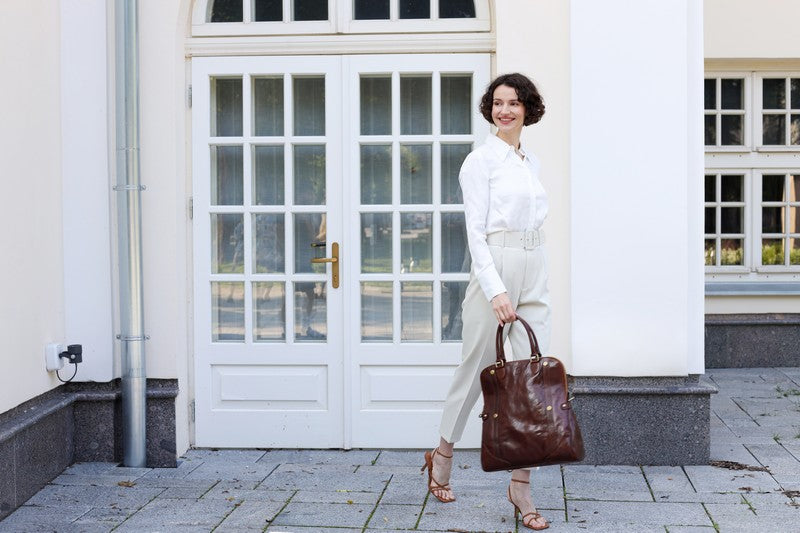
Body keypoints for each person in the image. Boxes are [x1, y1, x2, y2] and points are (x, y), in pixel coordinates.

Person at [421, 73, 552, 531]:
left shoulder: (529, 160)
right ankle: (442, 453)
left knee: (533, 378)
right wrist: (496, 288)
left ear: (527, 108)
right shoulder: (481, 161)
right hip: (496, 264)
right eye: (498, 102)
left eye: (514, 102)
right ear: (489, 109)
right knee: (476, 370)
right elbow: (475, 232)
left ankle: (520, 484)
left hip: (534, 264)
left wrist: (533, 273)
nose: (505, 110)